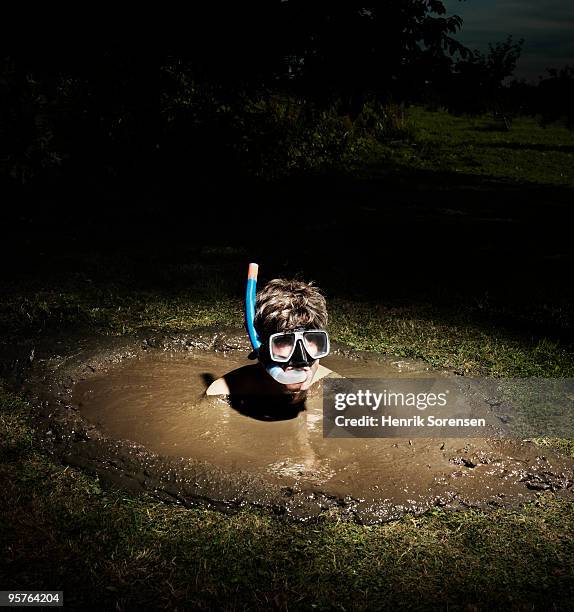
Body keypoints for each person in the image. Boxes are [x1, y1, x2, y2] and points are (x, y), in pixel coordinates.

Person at [206, 277, 336, 405]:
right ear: (262, 348)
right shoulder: (222, 394)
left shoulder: (335, 386)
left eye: (311, 339)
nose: (300, 358)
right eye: (284, 341)